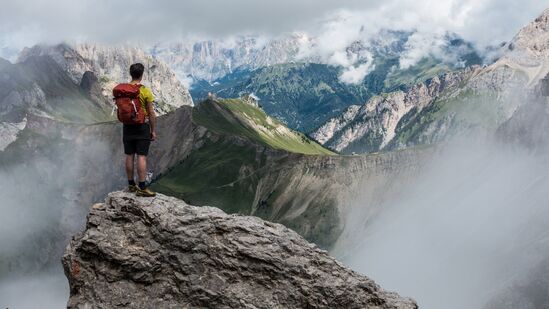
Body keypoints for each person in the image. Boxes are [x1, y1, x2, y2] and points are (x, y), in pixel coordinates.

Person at [122, 63, 157, 197]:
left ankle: (131, 185)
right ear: (142, 75)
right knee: (141, 156)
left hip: (127, 126)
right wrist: (153, 130)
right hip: (142, 126)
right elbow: (151, 113)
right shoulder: (145, 91)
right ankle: (142, 187)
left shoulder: (123, 90)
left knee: (129, 155)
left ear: (131, 74)